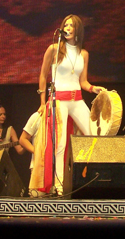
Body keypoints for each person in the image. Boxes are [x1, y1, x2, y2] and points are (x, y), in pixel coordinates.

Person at [34, 15, 105, 195]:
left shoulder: (84, 54)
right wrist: (43, 102)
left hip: (77, 99)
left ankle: (88, 178)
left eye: (71, 25)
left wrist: (93, 88)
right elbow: (43, 76)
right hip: (59, 100)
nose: (67, 28)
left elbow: (82, 81)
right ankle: (58, 186)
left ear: (78, 30)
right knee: (61, 143)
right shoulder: (54, 49)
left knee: (93, 135)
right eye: (65, 25)